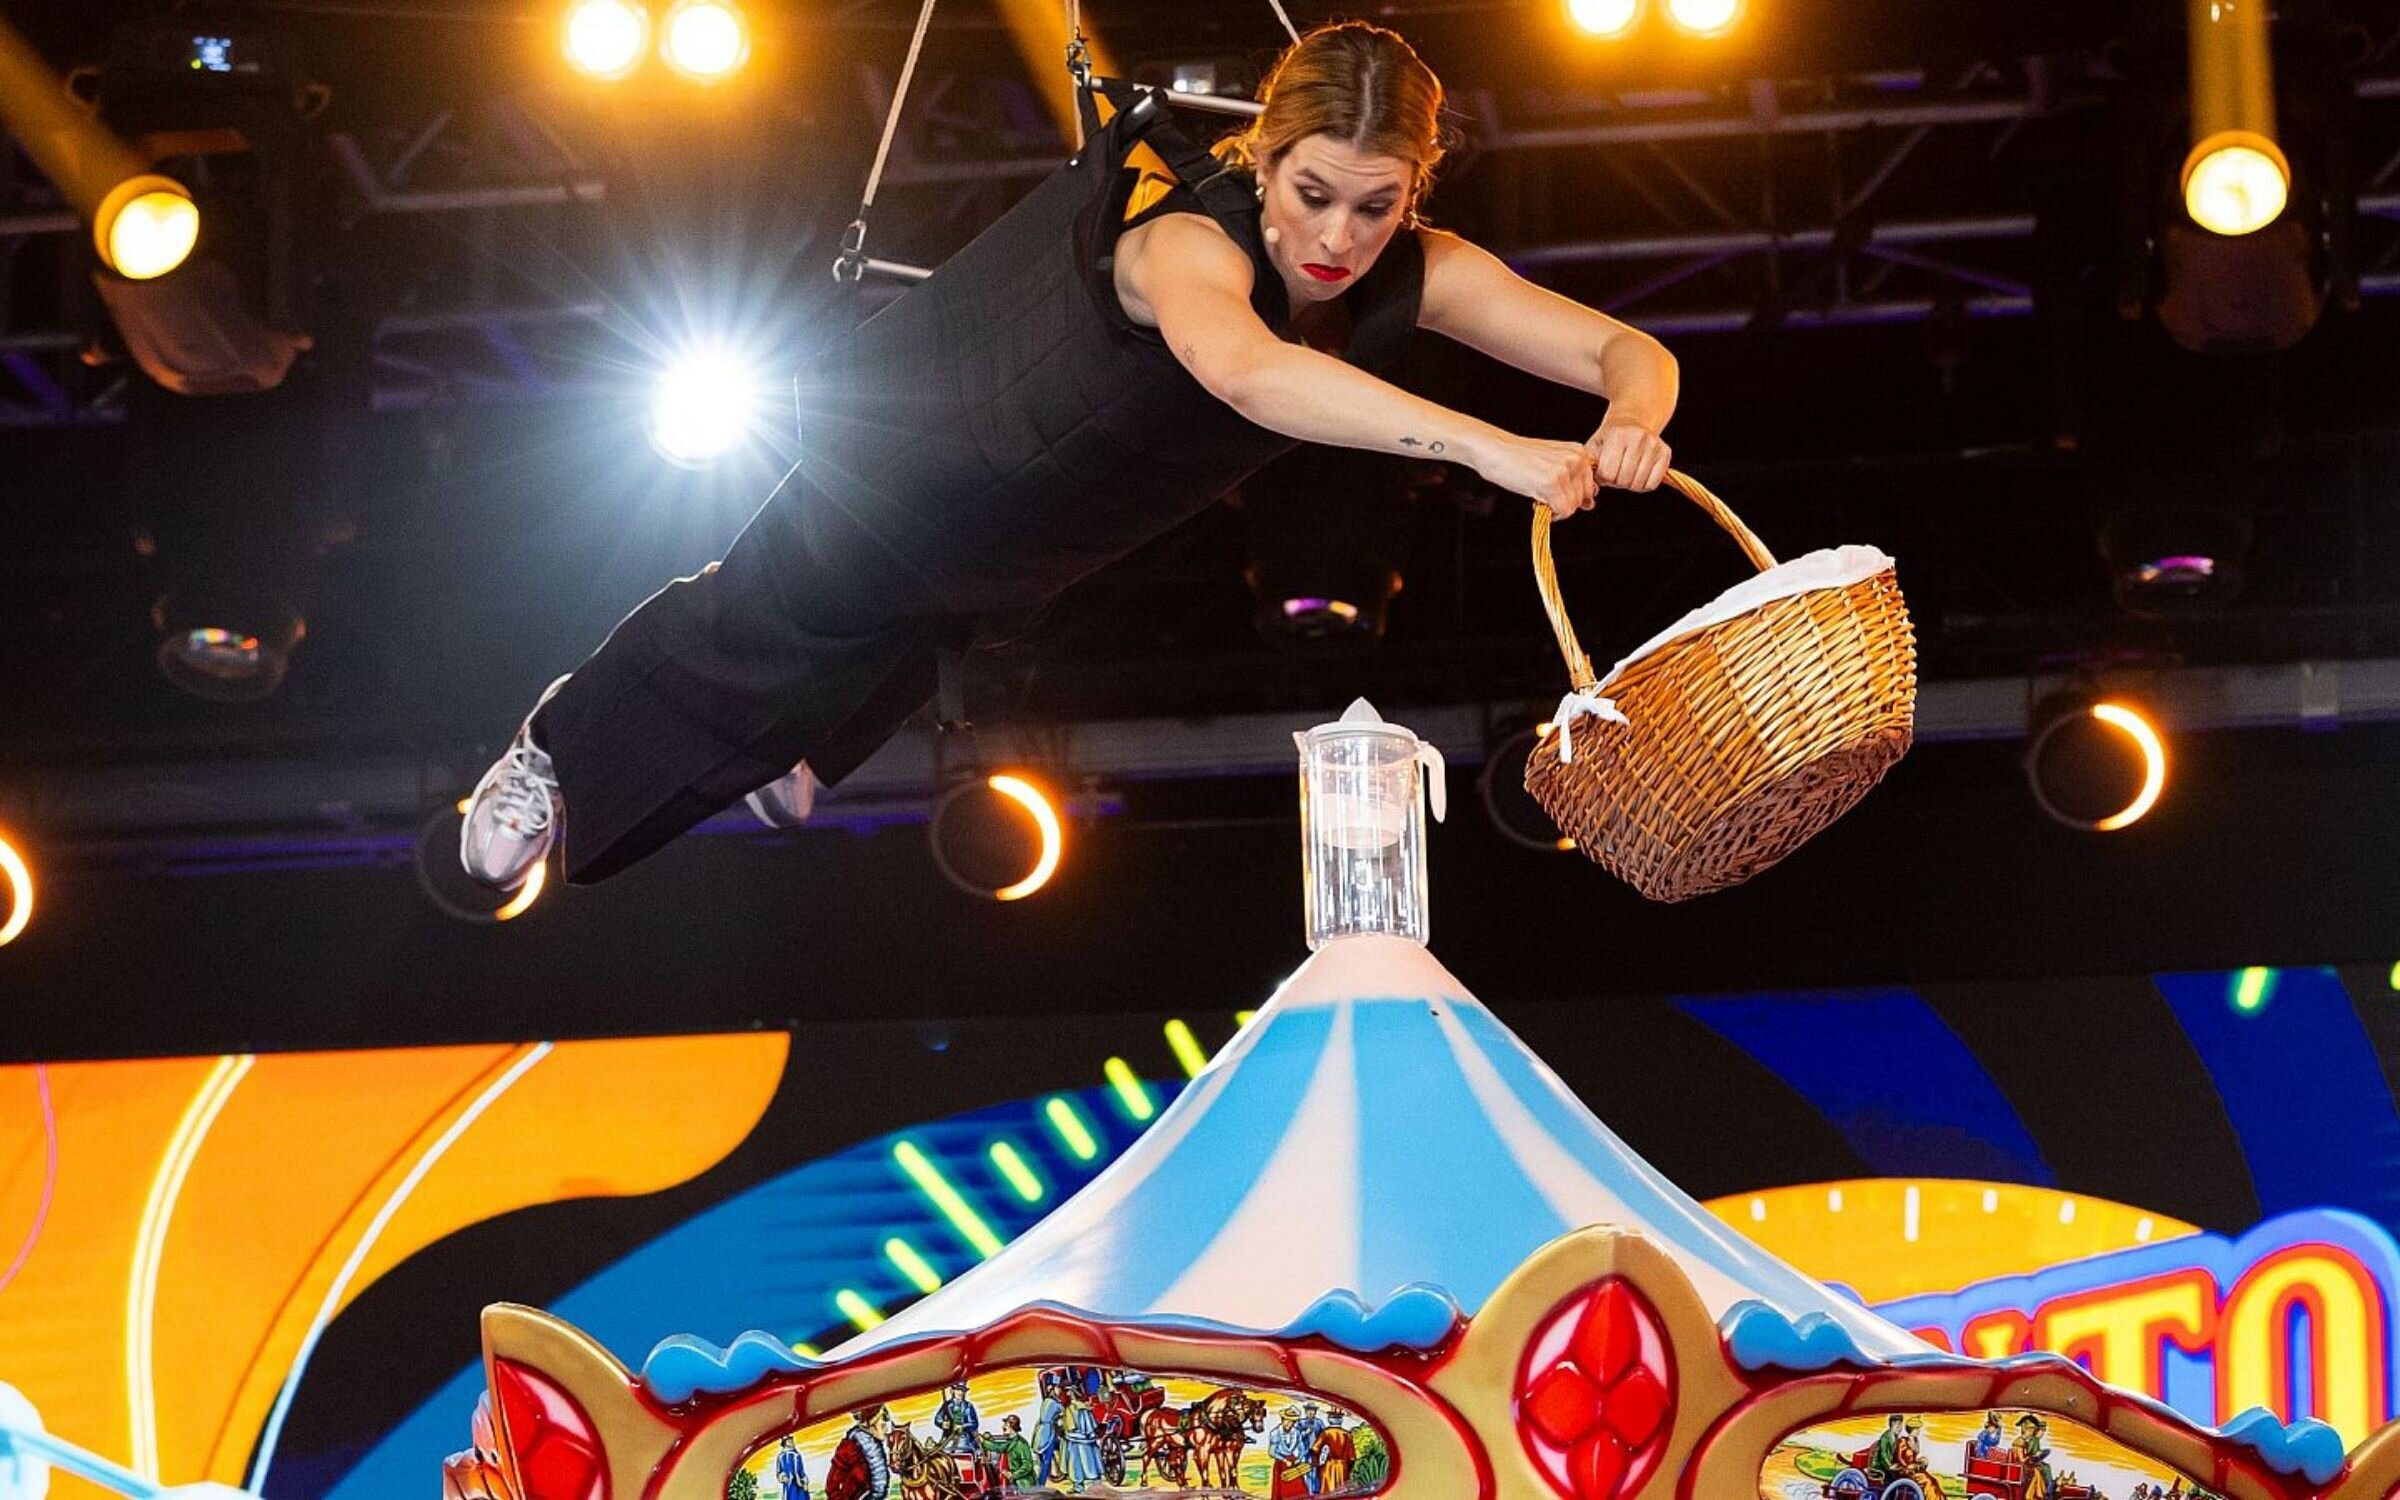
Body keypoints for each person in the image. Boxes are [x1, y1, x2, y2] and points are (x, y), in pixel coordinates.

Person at [461, 19, 1678, 890]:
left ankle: (792, 734)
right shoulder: (1186, 244)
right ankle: (556, 749)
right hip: (941, 443)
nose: (1339, 237)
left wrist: (1631, 413)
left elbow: (1627, 349)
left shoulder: (1424, 267)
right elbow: (1246, 372)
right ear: (1264, 155)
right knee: (786, 595)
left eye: (1379, 205)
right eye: (1313, 192)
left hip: (1055, 514)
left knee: (931, 619)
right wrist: (1488, 448)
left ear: (1418, 189)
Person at [824, 1407, 891, 1500]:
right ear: (871, 1424)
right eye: (883, 1423)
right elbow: (832, 1487)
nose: (887, 1429)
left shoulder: (877, 1447)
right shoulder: (849, 1448)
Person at [978, 1415, 1038, 1491]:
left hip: (1023, 1484)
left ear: (1012, 1426)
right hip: (1015, 1483)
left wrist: (1013, 1475)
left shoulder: (1021, 1444)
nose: (1003, 1426)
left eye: (1006, 1424)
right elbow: (999, 1447)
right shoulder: (1011, 1441)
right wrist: (983, 1441)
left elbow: (1027, 1465)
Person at [1313, 1410, 1356, 1495]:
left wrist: (1318, 1464)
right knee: (1341, 1492)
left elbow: (1315, 1449)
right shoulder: (1347, 1434)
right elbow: (1352, 1457)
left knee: (1327, 1492)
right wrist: (1349, 1469)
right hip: (1342, 1467)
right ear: (1341, 1420)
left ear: (1329, 1419)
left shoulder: (1325, 1433)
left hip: (1328, 1467)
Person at [775, 1434, 811, 1500]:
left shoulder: (796, 1455)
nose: (791, 1442)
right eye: (788, 1440)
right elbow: (779, 1471)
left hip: (799, 1483)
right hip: (789, 1484)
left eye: (791, 1440)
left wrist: (804, 1481)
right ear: (784, 1443)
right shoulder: (781, 1457)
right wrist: (782, 1476)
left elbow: (801, 1469)